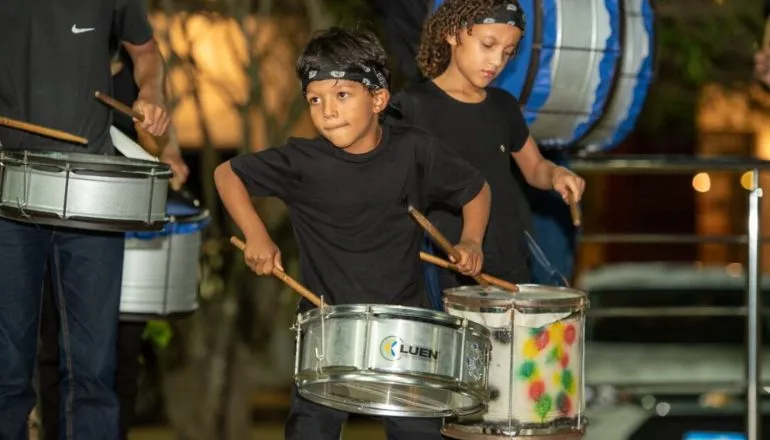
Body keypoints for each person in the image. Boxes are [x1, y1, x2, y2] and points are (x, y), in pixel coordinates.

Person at [214, 27, 492, 440]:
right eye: (315, 99)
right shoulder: (302, 162)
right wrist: (256, 234)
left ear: (378, 99)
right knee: (310, 431)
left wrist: (471, 240)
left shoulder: (414, 150)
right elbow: (227, 173)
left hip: (402, 332)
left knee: (419, 434)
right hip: (327, 329)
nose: (327, 111)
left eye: (342, 95)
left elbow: (476, 190)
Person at [0, 1, 170, 438]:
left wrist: (150, 94)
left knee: (94, 374)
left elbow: (147, 53)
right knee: (6, 373)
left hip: (94, 194)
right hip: (9, 189)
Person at [35, 44, 189, 440]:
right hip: (64, 222)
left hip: (126, 227)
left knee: (120, 353)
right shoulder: (59, 62)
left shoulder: (141, 70)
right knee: (56, 350)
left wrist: (169, 156)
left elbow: (160, 141)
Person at [389, 0, 586, 295]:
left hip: (509, 263)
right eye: (488, 45)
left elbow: (534, 168)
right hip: (444, 267)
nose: (496, 62)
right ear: (453, 34)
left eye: (507, 53)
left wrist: (556, 174)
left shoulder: (503, 106)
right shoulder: (411, 106)